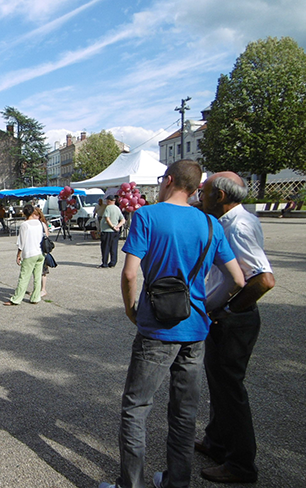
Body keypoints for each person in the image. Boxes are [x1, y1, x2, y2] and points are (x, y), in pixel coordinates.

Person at [100, 160, 245, 488]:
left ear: (168, 181)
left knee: (136, 407)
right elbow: (237, 279)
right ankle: (176, 482)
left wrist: (130, 309)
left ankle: (130, 484)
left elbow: (129, 273)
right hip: (195, 330)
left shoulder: (148, 216)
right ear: (196, 188)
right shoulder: (210, 223)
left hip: (156, 328)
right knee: (184, 412)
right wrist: (205, 308)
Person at [196, 172, 275, 484]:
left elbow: (263, 279)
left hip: (234, 321)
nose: (200, 196)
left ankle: (241, 464)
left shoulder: (238, 226)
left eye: (204, 192)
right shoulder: (231, 220)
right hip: (226, 318)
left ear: (221, 197)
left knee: (230, 391)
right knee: (220, 385)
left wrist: (227, 310)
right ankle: (216, 442)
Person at [4, 204, 45, 306]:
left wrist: (18, 254)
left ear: (24, 213)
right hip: (40, 252)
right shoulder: (40, 223)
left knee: (24, 277)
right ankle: (36, 297)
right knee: (37, 277)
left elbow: (21, 242)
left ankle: (16, 299)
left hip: (30, 253)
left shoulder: (25, 225)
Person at [98, 195, 125, 268]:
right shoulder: (117, 208)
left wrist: (112, 226)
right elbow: (123, 220)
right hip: (115, 231)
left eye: (107, 200)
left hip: (107, 230)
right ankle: (113, 262)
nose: (106, 201)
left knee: (105, 247)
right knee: (113, 247)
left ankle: (105, 263)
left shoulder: (108, 208)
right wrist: (118, 226)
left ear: (109, 201)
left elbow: (107, 218)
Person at [34, 207, 50, 297]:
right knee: (36, 272)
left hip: (41, 250)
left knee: (43, 271)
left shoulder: (42, 224)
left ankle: (43, 289)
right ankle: (37, 289)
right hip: (36, 250)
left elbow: (46, 237)